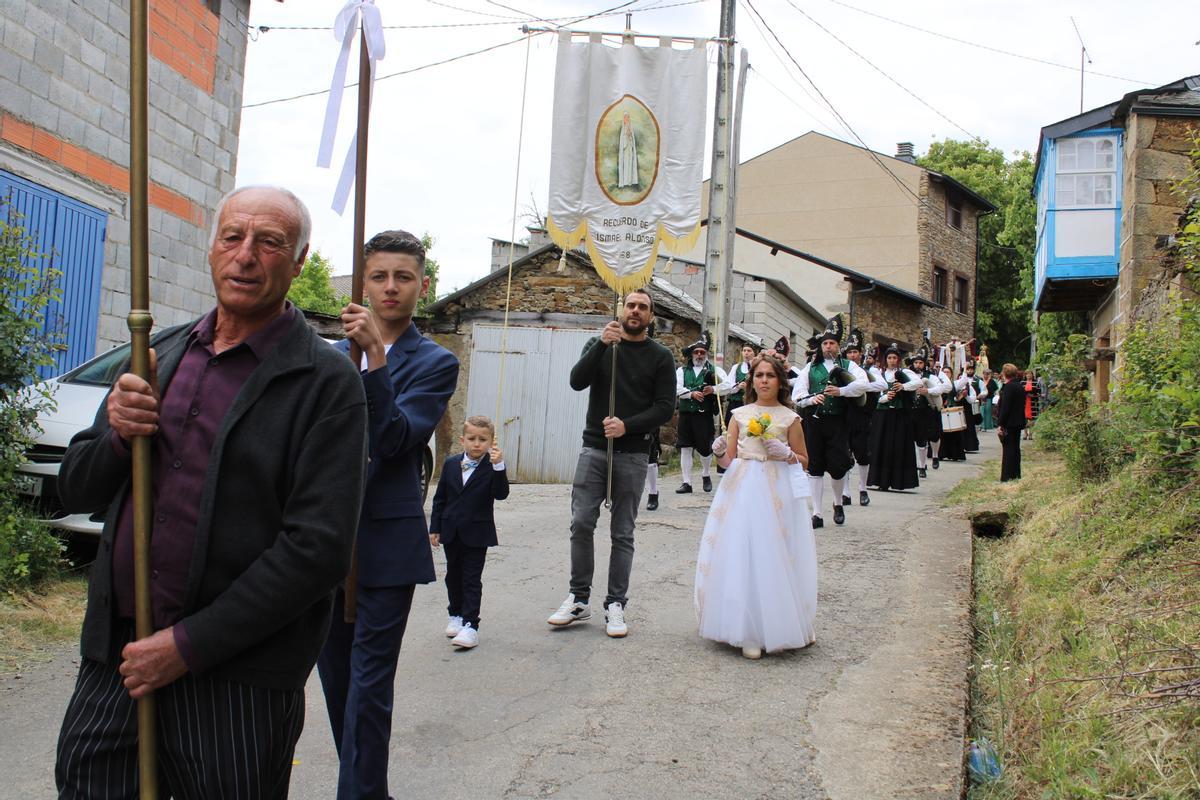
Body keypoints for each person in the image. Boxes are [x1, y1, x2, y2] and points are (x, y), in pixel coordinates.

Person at [54, 186, 369, 799]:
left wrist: (187, 646)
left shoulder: (325, 383)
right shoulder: (159, 353)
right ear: (212, 248)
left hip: (238, 679)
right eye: (233, 237)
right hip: (119, 656)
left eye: (269, 242)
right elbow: (73, 488)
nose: (245, 256)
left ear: (299, 261)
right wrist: (118, 435)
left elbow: (319, 549)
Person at [316, 229, 459, 800]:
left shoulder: (434, 362)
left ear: (422, 287)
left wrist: (377, 358)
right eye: (379, 276)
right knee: (336, 682)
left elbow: (398, 438)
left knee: (370, 684)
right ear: (362, 284)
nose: (391, 287)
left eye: (404, 277)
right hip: (325, 540)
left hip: (387, 544)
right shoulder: (328, 357)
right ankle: (367, 789)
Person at [547, 289, 676, 637]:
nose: (635, 311)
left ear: (650, 316)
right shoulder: (600, 345)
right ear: (621, 309)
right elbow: (577, 382)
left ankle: (615, 603)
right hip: (594, 449)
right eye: (631, 305)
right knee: (581, 522)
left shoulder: (661, 356)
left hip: (633, 454)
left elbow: (665, 407)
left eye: (643, 307)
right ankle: (578, 598)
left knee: (622, 532)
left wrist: (627, 425)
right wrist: (603, 345)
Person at [696, 354, 815, 659]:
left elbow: (804, 461)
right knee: (742, 550)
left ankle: (782, 622)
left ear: (780, 382)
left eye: (770, 376)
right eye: (758, 375)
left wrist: (786, 453)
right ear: (751, 381)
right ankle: (747, 628)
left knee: (775, 553)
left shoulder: (791, 418)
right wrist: (719, 451)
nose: (763, 380)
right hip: (744, 485)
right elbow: (728, 460)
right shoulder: (739, 414)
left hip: (777, 487)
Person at [429, 416, 510, 650]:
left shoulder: (492, 467)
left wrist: (499, 467)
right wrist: (435, 527)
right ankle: (455, 614)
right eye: (472, 439)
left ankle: (471, 625)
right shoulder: (451, 463)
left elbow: (501, 494)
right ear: (462, 440)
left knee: (471, 579)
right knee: (452, 576)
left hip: (477, 533)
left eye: (483, 440)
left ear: (491, 442)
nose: (477, 444)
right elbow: (440, 498)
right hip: (451, 530)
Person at [793, 315, 868, 528]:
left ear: (838, 346)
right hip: (814, 422)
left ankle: (837, 503)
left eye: (832, 343)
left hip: (838, 422)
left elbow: (863, 385)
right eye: (825, 343)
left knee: (838, 466)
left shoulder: (848, 365)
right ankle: (816, 512)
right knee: (814, 466)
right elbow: (797, 395)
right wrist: (811, 399)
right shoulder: (810, 367)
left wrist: (841, 391)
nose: (828, 347)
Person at [674, 336, 730, 494]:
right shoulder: (682, 370)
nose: (699, 355)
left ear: (706, 354)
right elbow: (675, 387)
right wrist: (691, 394)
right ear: (692, 354)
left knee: (705, 449)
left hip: (704, 415)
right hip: (686, 414)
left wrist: (713, 389)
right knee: (685, 447)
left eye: (702, 352)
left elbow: (728, 385)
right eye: (696, 352)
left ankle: (705, 475)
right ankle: (687, 482)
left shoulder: (715, 370)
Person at [867, 344, 923, 492]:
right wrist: (885, 397)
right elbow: (873, 392)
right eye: (889, 358)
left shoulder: (904, 372)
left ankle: (899, 481)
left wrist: (903, 387)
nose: (892, 360)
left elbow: (918, 382)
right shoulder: (879, 373)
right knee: (881, 445)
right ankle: (881, 481)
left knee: (898, 446)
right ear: (885, 360)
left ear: (898, 360)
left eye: (894, 358)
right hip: (883, 414)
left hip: (899, 414)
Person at [841, 329, 884, 506]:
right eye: (849, 352)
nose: (852, 355)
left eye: (855, 352)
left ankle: (863, 488)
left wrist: (862, 387)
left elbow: (882, 384)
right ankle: (845, 492)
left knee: (862, 455)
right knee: (843, 456)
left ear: (860, 354)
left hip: (862, 417)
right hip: (844, 417)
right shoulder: (841, 370)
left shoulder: (870, 371)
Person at [910, 347, 950, 478]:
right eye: (916, 362)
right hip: (914, 411)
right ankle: (921, 466)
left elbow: (942, 388)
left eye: (920, 363)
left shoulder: (932, 376)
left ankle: (935, 455)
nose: (918, 365)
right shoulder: (908, 375)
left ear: (925, 364)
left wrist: (928, 391)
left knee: (934, 436)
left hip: (929, 409)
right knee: (918, 438)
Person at [997, 363, 1027, 481]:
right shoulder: (1019, 386)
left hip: (1009, 422)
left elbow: (1005, 407)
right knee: (1015, 448)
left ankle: (1007, 475)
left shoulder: (1008, 387)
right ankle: (1016, 474)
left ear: (1005, 374)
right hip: (1018, 421)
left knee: (1008, 449)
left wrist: (1001, 423)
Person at [937, 365, 972, 462]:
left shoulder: (955, 384)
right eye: (944, 372)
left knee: (954, 433)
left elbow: (964, 380)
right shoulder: (936, 383)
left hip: (951, 411)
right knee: (941, 433)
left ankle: (955, 454)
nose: (946, 374)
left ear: (951, 374)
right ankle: (941, 454)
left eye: (948, 372)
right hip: (940, 410)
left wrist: (964, 367)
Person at [723, 343, 757, 426]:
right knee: (732, 427)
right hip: (736, 403)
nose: (746, 353)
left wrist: (749, 387)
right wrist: (738, 387)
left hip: (751, 404)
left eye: (749, 351)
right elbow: (727, 386)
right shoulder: (736, 367)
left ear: (754, 353)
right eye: (744, 350)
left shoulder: (757, 367)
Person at [961, 360, 982, 453]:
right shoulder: (958, 381)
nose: (969, 371)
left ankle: (971, 444)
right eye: (967, 370)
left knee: (971, 425)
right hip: (961, 408)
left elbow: (983, 391)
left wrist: (979, 396)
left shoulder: (977, 381)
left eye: (970, 370)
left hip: (970, 406)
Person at [1023, 369, 1041, 440]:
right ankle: (1025, 433)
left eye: (1030, 374)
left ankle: (1030, 434)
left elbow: (1039, 392)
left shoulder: (1036, 382)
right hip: (1024, 402)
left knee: (1032, 418)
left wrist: (1034, 395)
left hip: (1033, 402)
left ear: (1032, 375)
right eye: (1027, 374)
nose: (1028, 375)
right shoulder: (1022, 382)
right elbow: (1019, 392)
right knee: (1024, 418)